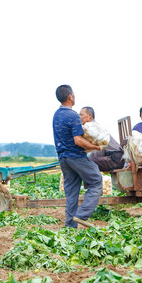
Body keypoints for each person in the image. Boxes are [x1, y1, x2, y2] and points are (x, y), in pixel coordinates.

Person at [53, 85, 103, 228]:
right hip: (75, 156)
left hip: (63, 158)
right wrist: (94, 147)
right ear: (70, 96)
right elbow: (78, 140)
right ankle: (81, 215)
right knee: (96, 180)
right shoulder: (73, 115)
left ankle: (70, 228)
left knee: (72, 194)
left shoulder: (56, 115)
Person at [79, 106, 124, 172]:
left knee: (87, 163)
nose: (79, 117)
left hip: (115, 159)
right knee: (87, 162)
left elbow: (97, 150)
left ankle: (95, 181)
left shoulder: (91, 128)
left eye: (81, 115)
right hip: (114, 157)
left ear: (90, 116)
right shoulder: (92, 127)